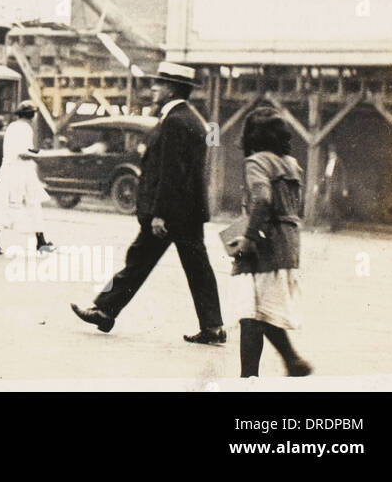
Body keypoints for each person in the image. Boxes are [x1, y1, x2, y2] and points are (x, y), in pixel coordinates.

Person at [72, 61, 226, 345]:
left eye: (158, 84)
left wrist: (160, 214)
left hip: (171, 213)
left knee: (141, 261)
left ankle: (104, 310)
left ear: (170, 89)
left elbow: (171, 172)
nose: (153, 89)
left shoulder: (176, 121)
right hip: (186, 210)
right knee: (184, 264)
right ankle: (212, 326)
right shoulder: (190, 118)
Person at [230, 108, 311, 377]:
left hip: (265, 243)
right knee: (261, 311)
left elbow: (263, 199)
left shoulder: (256, 162)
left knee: (250, 314)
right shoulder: (291, 163)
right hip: (288, 244)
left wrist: (249, 237)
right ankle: (291, 361)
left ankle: (248, 379)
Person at [0, 101, 54, 254]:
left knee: (1, 205)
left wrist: (34, 152)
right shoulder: (26, 128)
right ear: (31, 115)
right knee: (34, 204)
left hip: (7, 169)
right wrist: (40, 156)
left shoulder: (12, 126)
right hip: (22, 170)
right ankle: (41, 241)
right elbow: (23, 153)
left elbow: (19, 149)